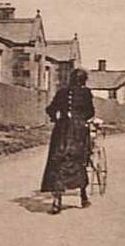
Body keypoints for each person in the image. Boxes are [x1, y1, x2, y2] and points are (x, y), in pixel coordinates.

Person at [41, 68, 95, 214]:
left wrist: (56, 118)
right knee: (80, 159)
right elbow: (91, 112)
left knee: (59, 161)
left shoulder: (61, 92)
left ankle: (57, 200)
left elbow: (50, 109)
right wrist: (82, 118)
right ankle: (83, 197)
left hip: (62, 129)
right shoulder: (86, 93)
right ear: (83, 80)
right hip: (78, 131)